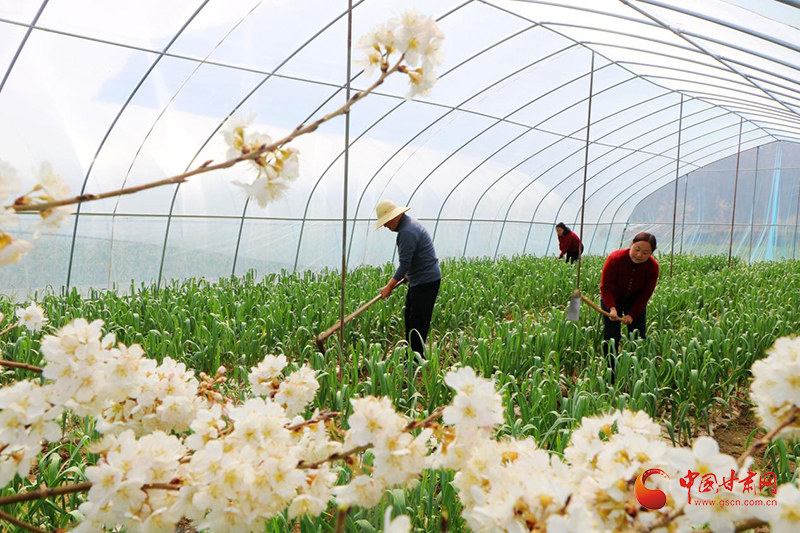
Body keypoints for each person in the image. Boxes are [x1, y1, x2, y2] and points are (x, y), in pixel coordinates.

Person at [375, 199, 441, 357]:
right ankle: (411, 357)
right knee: (410, 319)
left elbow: (404, 264)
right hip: (419, 279)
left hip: (426, 282)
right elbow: (414, 258)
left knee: (418, 323)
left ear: (393, 217)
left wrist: (389, 286)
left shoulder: (407, 232)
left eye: (386, 222)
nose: (385, 226)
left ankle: (416, 361)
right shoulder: (408, 225)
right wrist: (407, 276)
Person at [599, 232, 659, 382]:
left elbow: (645, 294)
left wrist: (631, 314)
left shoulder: (652, 267)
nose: (639, 255)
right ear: (631, 244)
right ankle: (611, 375)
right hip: (613, 298)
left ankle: (636, 374)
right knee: (611, 337)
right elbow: (606, 287)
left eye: (645, 252)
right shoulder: (615, 259)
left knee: (638, 337)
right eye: (637, 249)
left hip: (635, 301)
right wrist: (612, 308)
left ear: (651, 253)